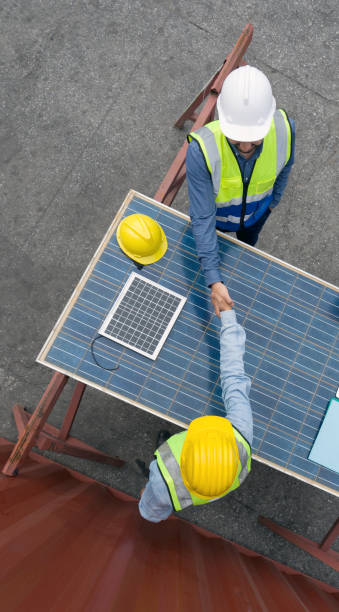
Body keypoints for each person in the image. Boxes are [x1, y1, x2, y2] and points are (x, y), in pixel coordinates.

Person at [186, 65, 295, 316]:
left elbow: (286, 166)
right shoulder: (201, 150)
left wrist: (272, 204)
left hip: (257, 217)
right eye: (237, 138)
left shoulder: (285, 130)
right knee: (214, 258)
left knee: (244, 255)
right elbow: (202, 217)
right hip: (217, 223)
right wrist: (214, 280)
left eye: (254, 138)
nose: (246, 146)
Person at [138, 301, 253, 522]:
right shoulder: (241, 434)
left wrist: (145, 499)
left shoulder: (163, 483)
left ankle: (163, 445)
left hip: (165, 487)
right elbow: (234, 375)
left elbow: (149, 511)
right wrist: (228, 317)